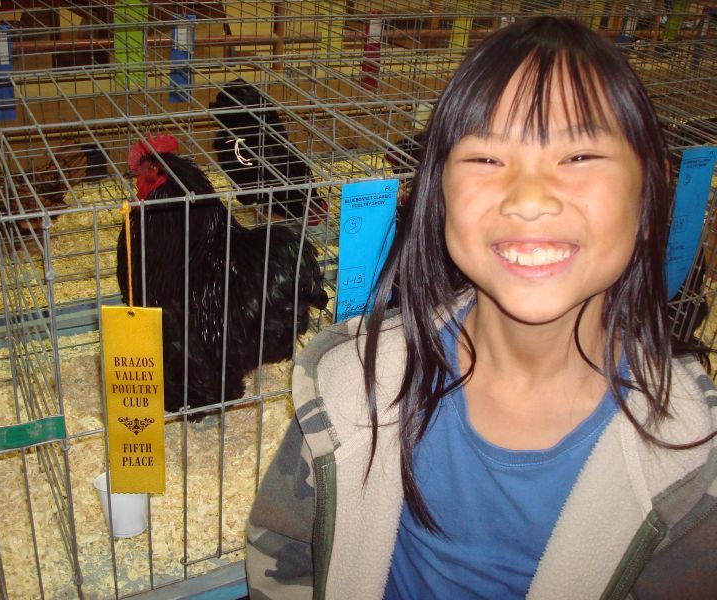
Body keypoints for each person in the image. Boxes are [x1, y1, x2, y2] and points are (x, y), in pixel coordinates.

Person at [245, 16, 717, 600]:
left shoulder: (689, 459)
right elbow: (282, 551)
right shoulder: (353, 387)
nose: (529, 199)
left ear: (648, 197)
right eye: (487, 160)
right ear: (439, 195)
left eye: (579, 156)